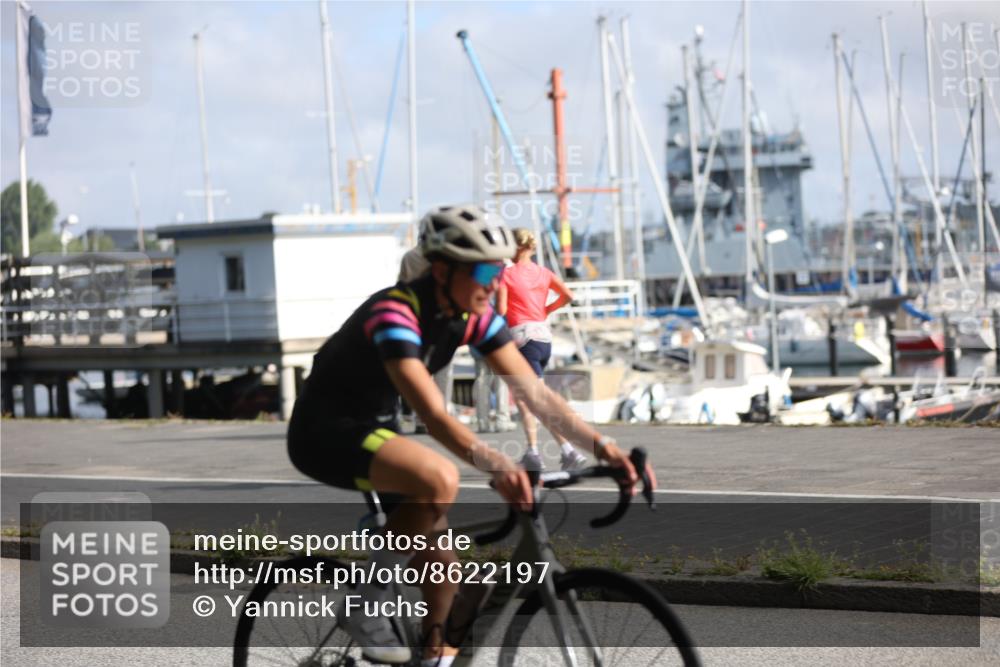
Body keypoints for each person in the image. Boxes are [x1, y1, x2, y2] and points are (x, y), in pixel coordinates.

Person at [287, 205, 652, 666]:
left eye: (500, 269)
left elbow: (535, 394)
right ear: (442, 270)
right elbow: (435, 415)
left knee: (454, 581)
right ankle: (365, 600)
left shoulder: (474, 315)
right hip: (325, 430)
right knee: (439, 477)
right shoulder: (395, 313)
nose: (495, 282)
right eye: (484, 270)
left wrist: (606, 449)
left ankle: (433, 655)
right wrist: (497, 463)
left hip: (379, 432)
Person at [496, 228, 586, 472]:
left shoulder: (506, 275)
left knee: (530, 402)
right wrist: (546, 310)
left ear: (515, 248)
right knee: (535, 399)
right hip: (543, 338)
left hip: (522, 338)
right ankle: (553, 452)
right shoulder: (543, 273)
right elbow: (568, 295)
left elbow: (502, 311)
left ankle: (545, 452)